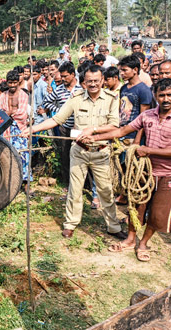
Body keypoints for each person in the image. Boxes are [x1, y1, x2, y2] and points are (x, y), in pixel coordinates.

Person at [89, 78, 171, 261]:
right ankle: (130, 240)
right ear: (155, 95)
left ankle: (143, 243)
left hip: (168, 174)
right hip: (145, 172)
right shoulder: (147, 115)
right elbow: (121, 131)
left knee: (158, 213)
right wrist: (94, 137)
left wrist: (148, 150)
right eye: (162, 95)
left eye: (169, 95)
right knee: (136, 207)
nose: (166, 99)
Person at [24, 65, 124, 239]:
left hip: (101, 152)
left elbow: (114, 125)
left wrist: (92, 130)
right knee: (75, 190)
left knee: (106, 191)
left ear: (102, 80)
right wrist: (33, 129)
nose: (93, 84)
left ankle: (113, 227)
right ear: (83, 82)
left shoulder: (111, 98)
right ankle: (70, 224)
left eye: (96, 81)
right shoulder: (76, 98)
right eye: (89, 81)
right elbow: (57, 119)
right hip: (79, 152)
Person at [44, 61, 82, 184]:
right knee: (65, 154)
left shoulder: (81, 89)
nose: (63, 79)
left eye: (65, 76)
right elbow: (47, 102)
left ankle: (82, 181)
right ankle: (67, 181)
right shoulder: (59, 90)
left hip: (80, 128)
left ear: (72, 74)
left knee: (80, 154)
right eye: (62, 76)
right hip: (65, 127)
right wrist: (60, 111)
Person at [0, 70, 32, 184]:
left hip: (20, 128)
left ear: (18, 82)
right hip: (6, 129)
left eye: (14, 82)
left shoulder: (23, 95)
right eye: (10, 83)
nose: (12, 85)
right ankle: (12, 182)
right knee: (8, 155)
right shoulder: (3, 95)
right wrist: (8, 113)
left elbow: (22, 114)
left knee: (23, 154)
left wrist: (8, 113)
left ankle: (26, 182)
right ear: (6, 82)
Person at [118, 55, 153, 143]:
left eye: (125, 70)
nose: (122, 73)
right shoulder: (124, 88)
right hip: (122, 133)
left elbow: (144, 118)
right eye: (121, 70)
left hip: (133, 135)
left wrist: (137, 139)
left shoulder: (143, 90)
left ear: (135, 70)